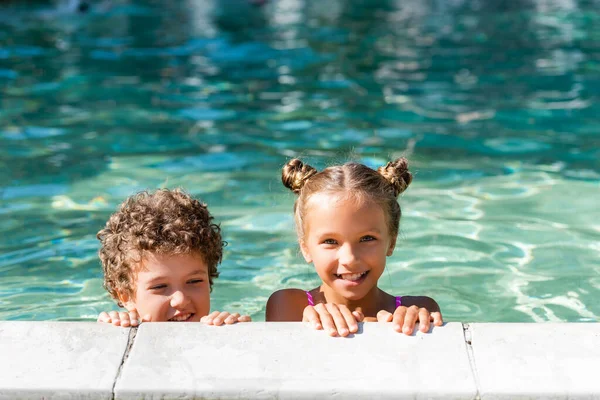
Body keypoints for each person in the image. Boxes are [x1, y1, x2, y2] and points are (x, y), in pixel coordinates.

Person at [266, 158, 443, 337]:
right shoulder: (290, 306)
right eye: (330, 241)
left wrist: (406, 331)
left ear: (392, 241)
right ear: (305, 248)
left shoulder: (419, 310)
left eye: (367, 238)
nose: (349, 259)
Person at [96, 189, 250, 327]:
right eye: (160, 286)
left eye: (194, 281)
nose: (180, 300)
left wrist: (237, 333)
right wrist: (109, 330)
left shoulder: (218, 326)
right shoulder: (119, 328)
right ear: (125, 296)